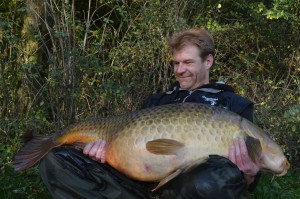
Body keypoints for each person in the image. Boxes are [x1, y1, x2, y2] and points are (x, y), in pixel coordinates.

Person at [40, 28, 260, 199]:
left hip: (192, 190)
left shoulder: (233, 104)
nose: (179, 70)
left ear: (208, 61)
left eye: (188, 62)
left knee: (211, 180)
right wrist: (105, 156)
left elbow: (245, 179)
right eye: (176, 63)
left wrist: (249, 174)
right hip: (140, 188)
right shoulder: (157, 102)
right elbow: (131, 151)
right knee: (57, 160)